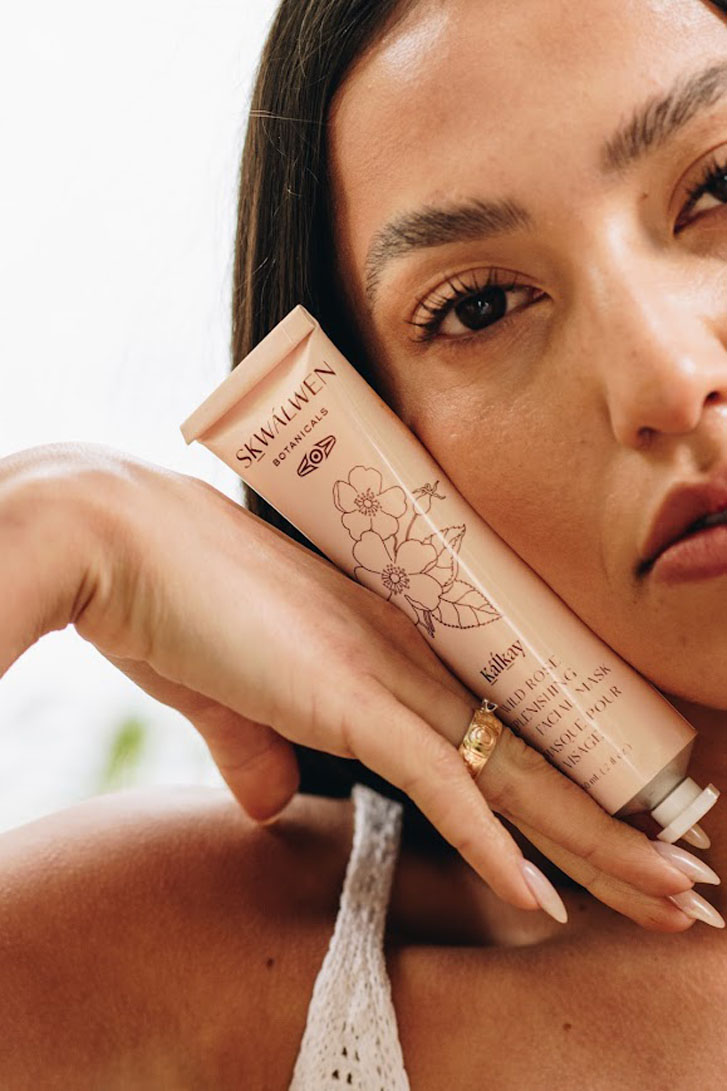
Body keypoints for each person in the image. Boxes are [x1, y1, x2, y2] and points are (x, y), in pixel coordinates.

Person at [1, 0, 727, 1085]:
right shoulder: (155, 970)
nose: (666, 378)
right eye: (479, 305)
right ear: (373, 449)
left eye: (716, 189)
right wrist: (44, 526)